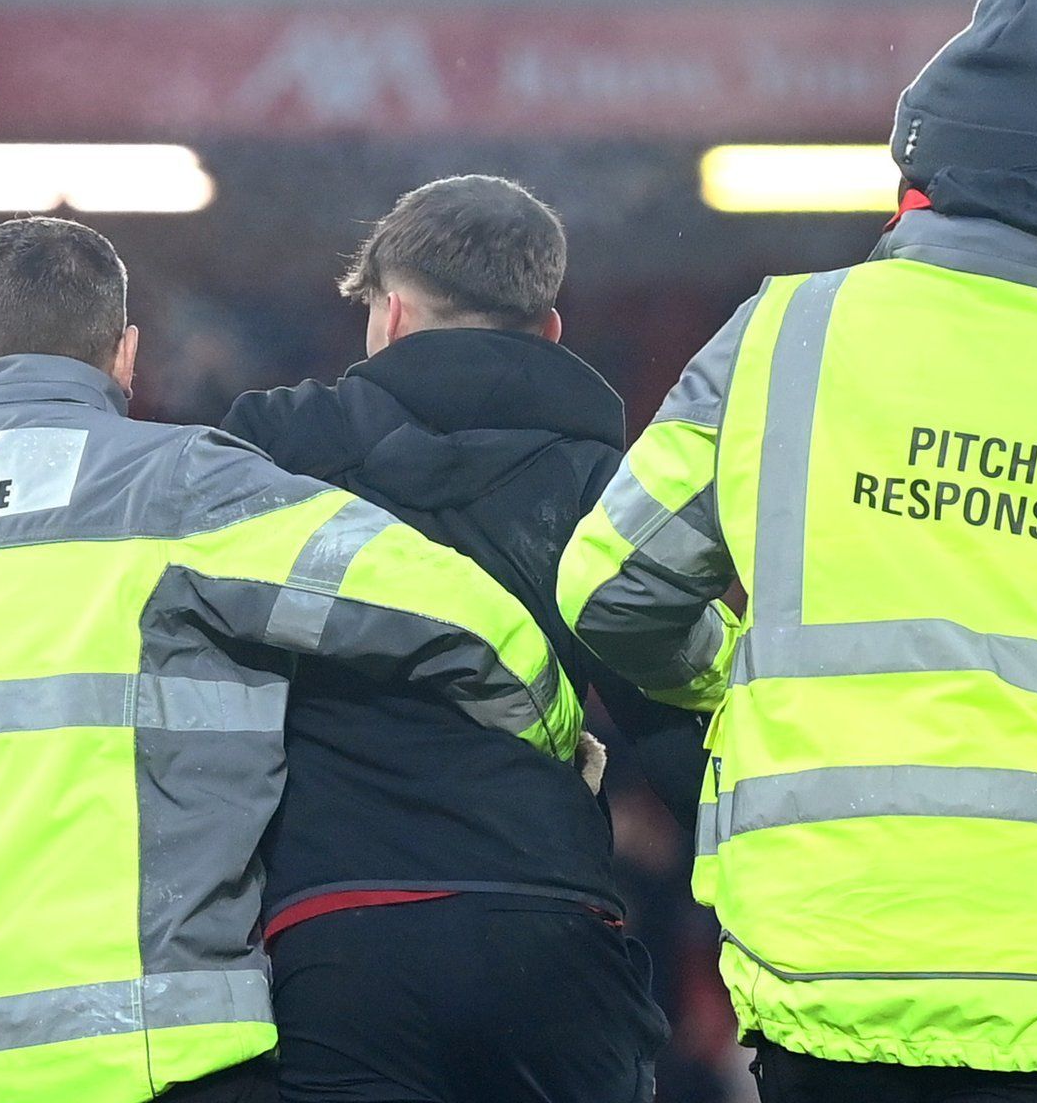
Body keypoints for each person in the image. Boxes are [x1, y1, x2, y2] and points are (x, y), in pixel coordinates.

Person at [559, 0, 1037, 1103]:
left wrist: (744, 687)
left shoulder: (784, 335)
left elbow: (606, 592)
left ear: (918, 186)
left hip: (830, 974)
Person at [0, 217, 586, 1103]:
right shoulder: (173, 483)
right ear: (125, 357)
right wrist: (553, 724)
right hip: (146, 1058)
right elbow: (448, 605)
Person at [220, 174, 695, 1103]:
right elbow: (674, 717)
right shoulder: (609, 485)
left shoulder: (267, 455)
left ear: (390, 316)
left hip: (337, 936)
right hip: (550, 925)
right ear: (551, 328)